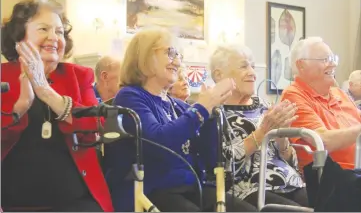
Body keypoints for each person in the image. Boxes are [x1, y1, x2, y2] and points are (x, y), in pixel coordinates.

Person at [103, 28, 257, 212]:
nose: (177, 61)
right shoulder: (129, 97)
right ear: (144, 56)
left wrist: (211, 115)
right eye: (170, 53)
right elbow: (158, 143)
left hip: (192, 189)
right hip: (151, 192)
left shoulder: (178, 105)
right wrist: (202, 109)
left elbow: (211, 158)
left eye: (179, 55)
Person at [1, 0, 113, 212]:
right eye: (43, 29)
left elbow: (97, 125)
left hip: (77, 203)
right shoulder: (2, 77)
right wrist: (21, 107)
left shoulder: (79, 76)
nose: (54, 37)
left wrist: (46, 91)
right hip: (12, 202)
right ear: (19, 35)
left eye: (59, 32)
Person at [198, 44, 308, 208]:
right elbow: (225, 168)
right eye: (244, 66)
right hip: (248, 190)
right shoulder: (213, 113)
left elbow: (290, 161)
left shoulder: (265, 106)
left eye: (253, 66)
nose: (252, 73)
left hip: (290, 183)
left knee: (330, 204)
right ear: (219, 75)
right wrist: (262, 132)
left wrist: (281, 138)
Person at [281, 37, 361, 171]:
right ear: (301, 65)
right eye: (325, 59)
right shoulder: (293, 96)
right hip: (333, 178)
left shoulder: (338, 93)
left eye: (333, 59)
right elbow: (323, 141)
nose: (333, 65)